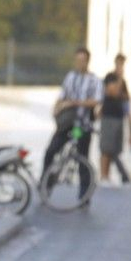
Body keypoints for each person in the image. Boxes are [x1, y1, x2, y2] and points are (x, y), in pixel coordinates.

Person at [43, 48, 102, 177]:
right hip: (67, 123)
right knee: (51, 150)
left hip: (81, 125)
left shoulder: (94, 80)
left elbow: (96, 101)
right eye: (78, 60)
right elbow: (62, 95)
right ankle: (45, 180)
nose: (80, 63)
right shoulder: (70, 77)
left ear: (87, 61)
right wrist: (56, 108)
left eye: (82, 60)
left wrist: (74, 103)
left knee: (82, 156)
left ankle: (85, 192)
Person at [99, 53, 131, 184]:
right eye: (119, 63)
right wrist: (119, 80)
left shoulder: (123, 81)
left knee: (115, 148)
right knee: (106, 148)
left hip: (119, 118)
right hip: (108, 117)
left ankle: (110, 176)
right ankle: (104, 176)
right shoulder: (110, 77)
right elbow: (114, 92)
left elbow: (126, 99)